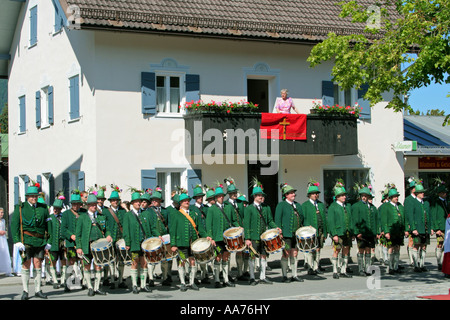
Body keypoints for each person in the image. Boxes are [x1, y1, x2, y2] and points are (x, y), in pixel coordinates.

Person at [10, 183, 50, 300]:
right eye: (31, 196)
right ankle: (25, 291)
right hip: (26, 240)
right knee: (26, 264)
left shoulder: (43, 208)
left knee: (38, 264)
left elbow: (48, 225)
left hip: (40, 241)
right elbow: (14, 225)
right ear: (27, 197)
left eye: (35, 196)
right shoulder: (20, 207)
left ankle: (38, 290)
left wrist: (49, 240)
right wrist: (17, 241)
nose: (34, 198)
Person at [244, 178, 281, 285]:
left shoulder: (266, 207)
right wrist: (247, 238)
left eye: (262, 195)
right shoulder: (249, 209)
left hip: (264, 237)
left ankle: (262, 276)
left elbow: (270, 221)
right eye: (260, 195)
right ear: (254, 196)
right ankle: (252, 277)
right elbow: (246, 225)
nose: (262, 197)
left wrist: (276, 228)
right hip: (254, 237)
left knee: (264, 256)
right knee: (252, 257)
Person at [170, 191, 208, 292]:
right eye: (184, 200)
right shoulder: (176, 214)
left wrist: (206, 236)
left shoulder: (193, 213)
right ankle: (183, 283)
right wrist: (173, 244)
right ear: (180, 203)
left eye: (187, 200)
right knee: (181, 262)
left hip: (193, 243)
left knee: (192, 261)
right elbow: (172, 231)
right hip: (181, 242)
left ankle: (192, 282)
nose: (187, 202)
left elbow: (200, 227)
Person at [206, 184, 240, 288]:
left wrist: (239, 227)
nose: (221, 197)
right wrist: (210, 237)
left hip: (227, 238)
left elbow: (234, 220)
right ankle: (216, 280)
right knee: (218, 258)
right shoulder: (212, 209)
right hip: (217, 238)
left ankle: (225, 279)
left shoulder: (229, 207)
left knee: (226, 257)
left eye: (222, 195)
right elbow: (209, 225)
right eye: (219, 196)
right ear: (215, 198)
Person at [123, 190, 156, 294]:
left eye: (140, 201)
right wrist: (127, 243)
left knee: (144, 263)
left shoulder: (145, 214)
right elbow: (126, 231)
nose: (139, 203)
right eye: (136, 201)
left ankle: (143, 285)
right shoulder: (128, 215)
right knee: (134, 263)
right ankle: (134, 285)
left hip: (144, 243)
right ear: (132, 203)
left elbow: (149, 228)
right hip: (134, 243)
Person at [75, 193, 107, 296]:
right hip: (86, 246)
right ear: (88, 205)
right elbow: (78, 234)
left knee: (98, 266)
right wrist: (79, 247)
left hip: (98, 246)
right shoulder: (82, 218)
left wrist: (109, 235)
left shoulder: (101, 217)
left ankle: (97, 287)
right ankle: (90, 287)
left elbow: (107, 230)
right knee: (87, 266)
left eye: (95, 204)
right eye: (92, 204)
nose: (94, 206)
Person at [275, 183, 304, 282]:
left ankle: (294, 275)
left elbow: (302, 219)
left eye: (293, 193)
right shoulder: (281, 205)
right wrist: (279, 232)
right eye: (291, 193)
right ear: (286, 195)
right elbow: (277, 220)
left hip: (296, 234)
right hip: (286, 234)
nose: (293, 195)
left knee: (295, 253)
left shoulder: (298, 205)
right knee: (286, 253)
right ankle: (284, 275)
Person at [327, 180, 354, 279]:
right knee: (337, 250)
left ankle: (343, 270)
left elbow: (351, 219)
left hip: (347, 232)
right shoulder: (333, 207)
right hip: (338, 232)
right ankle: (335, 270)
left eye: (344, 195)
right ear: (337, 196)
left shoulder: (348, 206)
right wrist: (334, 234)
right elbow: (331, 222)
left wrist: (352, 232)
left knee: (346, 250)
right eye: (342, 195)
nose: (344, 197)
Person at [379, 186, 408, 274]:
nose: (396, 198)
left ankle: (396, 266)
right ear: (390, 198)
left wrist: (406, 229)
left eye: (397, 196)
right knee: (390, 248)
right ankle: (390, 267)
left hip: (399, 231)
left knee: (397, 248)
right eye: (395, 196)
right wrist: (386, 231)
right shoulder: (386, 206)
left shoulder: (400, 206)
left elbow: (404, 219)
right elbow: (384, 220)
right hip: (391, 231)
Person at [406, 183, 434, 272]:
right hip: (417, 228)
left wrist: (431, 228)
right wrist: (413, 228)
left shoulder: (426, 203)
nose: (423, 194)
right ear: (417, 193)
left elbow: (430, 216)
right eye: (421, 192)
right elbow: (410, 216)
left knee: (424, 246)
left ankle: (422, 265)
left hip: (425, 228)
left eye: (423, 192)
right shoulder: (413, 202)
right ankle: (415, 265)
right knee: (416, 246)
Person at [104, 186, 128, 289]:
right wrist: (108, 235)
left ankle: (121, 279)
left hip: (121, 239)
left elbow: (126, 223)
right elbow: (104, 226)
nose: (115, 202)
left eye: (116, 200)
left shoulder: (123, 211)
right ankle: (112, 280)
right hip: (111, 240)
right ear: (110, 201)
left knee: (121, 260)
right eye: (113, 200)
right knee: (111, 261)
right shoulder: (106, 212)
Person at [301, 180, 327, 275]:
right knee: (310, 248)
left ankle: (316, 266)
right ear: (309, 195)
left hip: (319, 230)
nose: (315, 195)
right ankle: (310, 267)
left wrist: (325, 231)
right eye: (313, 194)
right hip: (310, 231)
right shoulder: (305, 205)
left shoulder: (320, 204)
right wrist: (306, 227)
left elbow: (324, 218)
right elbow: (303, 219)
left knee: (318, 248)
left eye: (316, 193)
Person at [352, 184, 379, 276]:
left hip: (370, 232)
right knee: (361, 249)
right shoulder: (356, 206)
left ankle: (368, 268)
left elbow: (376, 221)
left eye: (366, 196)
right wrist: (357, 232)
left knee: (368, 250)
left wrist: (376, 232)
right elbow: (355, 220)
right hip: (361, 233)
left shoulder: (372, 207)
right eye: (363, 196)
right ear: (360, 196)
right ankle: (360, 269)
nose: (364, 197)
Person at [61, 190, 85, 292]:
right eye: (74, 204)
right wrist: (71, 235)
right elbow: (63, 229)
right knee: (71, 262)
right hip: (71, 243)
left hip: (82, 243)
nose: (76, 205)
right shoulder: (66, 214)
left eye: (77, 203)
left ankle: (82, 281)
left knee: (83, 261)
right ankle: (68, 283)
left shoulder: (84, 212)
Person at [148, 187, 172, 286]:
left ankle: (165, 277)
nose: (154, 201)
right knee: (152, 258)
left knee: (165, 258)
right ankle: (151, 278)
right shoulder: (149, 211)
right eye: (152, 200)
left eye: (156, 200)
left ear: (160, 201)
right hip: (153, 237)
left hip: (164, 237)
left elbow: (168, 223)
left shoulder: (165, 211)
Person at [224, 178, 247, 281]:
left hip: (240, 230)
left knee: (240, 251)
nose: (234, 194)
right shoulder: (226, 204)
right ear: (228, 194)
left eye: (235, 192)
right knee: (228, 253)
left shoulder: (240, 203)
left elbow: (244, 216)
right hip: (230, 231)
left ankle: (240, 273)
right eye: (232, 193)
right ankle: (227, 274)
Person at [189, 185, 210, 285]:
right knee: (195, 257)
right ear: (195, 198)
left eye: (201, 196)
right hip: (196, 235)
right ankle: (195, 276)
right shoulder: (192, 209)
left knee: (204, 256)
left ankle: (204, 275)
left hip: (205, 235)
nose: (200, 198)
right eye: (198, 197)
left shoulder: (206, 208)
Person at [46, 197, 67, 289]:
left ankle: (62, 280)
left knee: (63, 261)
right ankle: (54, 280)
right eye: (55, 208)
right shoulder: (50, 218)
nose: (56, 210)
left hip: (62, 244)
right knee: (53, 262)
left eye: (58, 208)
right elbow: (47, 232)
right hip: (53, 244)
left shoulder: (63, 217)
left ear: (61, 209)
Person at [430, 182, 448, 270]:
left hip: (447, 227)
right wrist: (436, 228)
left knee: (447, 245)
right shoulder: (436, 202)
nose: (445, 194)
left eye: (446, 192)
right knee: (440, 244)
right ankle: (439, 262)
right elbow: (434, 215)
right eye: (444, 192)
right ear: (440, 193)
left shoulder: (447, 201)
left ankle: (445, 261)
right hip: (440, 227)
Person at [0, 207, 13, 277]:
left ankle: (7, 270)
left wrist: (4, 232)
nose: (2, 214)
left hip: (3, 238)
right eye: (1, 212)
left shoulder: (3, 220)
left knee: (5, 253)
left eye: (3, 213)